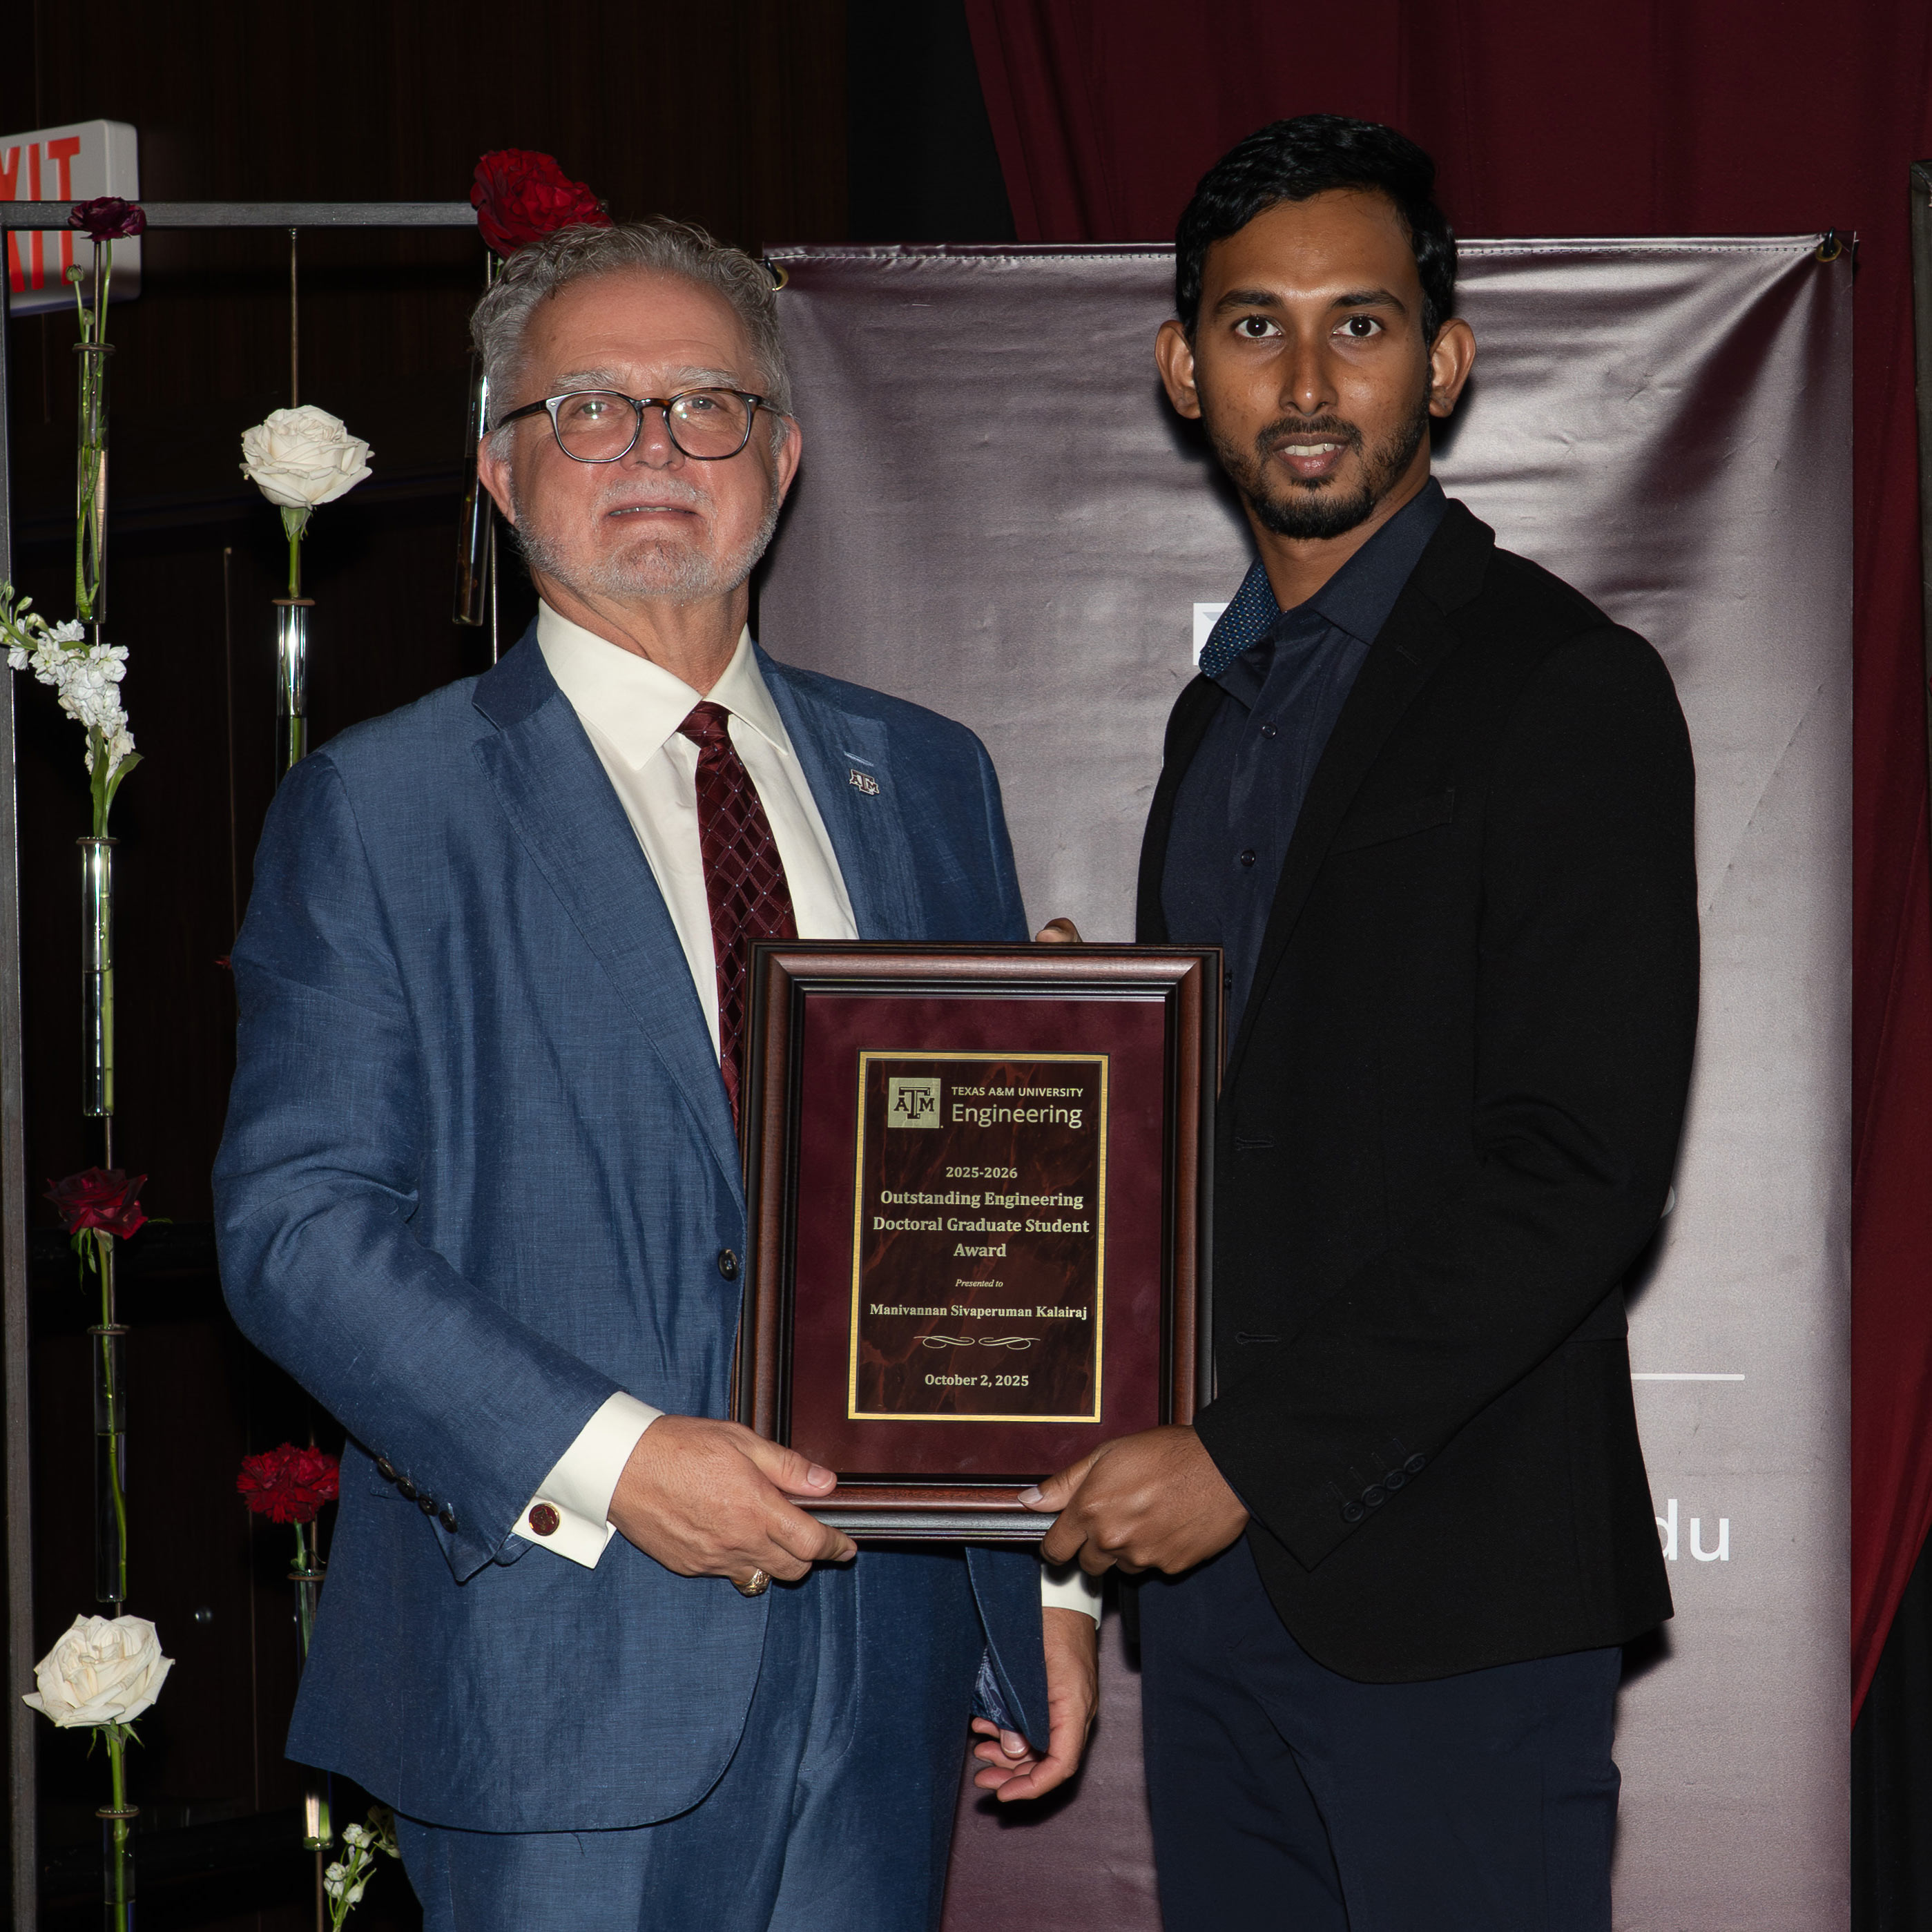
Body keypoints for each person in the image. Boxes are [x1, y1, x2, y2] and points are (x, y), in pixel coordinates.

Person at [214, 217, 1099, 1932]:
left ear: (782, 456)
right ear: (499, 467)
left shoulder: (921, 776)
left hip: (894, 1656)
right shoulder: (386, 810)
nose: (651, 451)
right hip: (559, 1659)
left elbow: (999, 1210)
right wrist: (620, 1463)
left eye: (705, 406)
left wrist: (1046, 1577)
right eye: (589, 411)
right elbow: (301, 1230)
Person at [1023, 116, 1699, 1930]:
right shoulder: (1212, 716)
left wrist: (1240, 1456)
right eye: (1251, 327)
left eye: (1360, 323)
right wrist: (1071, 1057)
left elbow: (1575, 1168)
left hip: (1449, 1598)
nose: (1306, 378)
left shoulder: (1561, 686)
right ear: (1181, 368)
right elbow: (1244, 1131)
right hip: (1220, 1605)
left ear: (1443, 359)